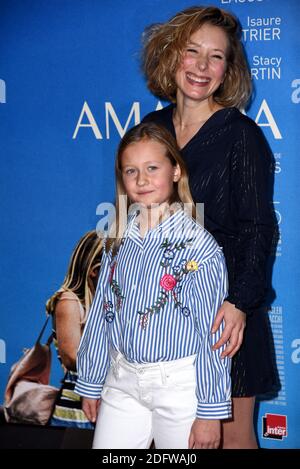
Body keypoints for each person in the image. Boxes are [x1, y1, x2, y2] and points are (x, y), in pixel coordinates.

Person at [141, 6, 277, 448]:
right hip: (162, 312)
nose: (201, 66)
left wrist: (239, 303)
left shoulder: (241, 134)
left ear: (227, 69)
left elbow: (259, 228)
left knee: (230, 439)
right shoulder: (150, 130)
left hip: (224, 312)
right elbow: (134, 223)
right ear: (169, 55)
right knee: (174, 442)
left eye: (215, 56)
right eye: (192, 51)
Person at [75, 122, 231, 449]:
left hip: (179, 388)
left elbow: (213, 333)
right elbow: (102, 313)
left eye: (152, 168)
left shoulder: (198, 247)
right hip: (121, 383)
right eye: (131, 171)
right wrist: (90, 381)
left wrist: (210, 411)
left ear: (175, 171)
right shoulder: (115, 240)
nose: (142, 180)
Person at [46, 230, 103, 429]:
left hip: (108, 409)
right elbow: (72, 357)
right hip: (77, 414)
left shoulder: (109, 305)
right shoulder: (70, 301)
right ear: (94, 270)